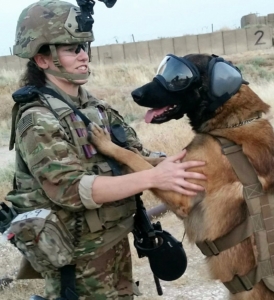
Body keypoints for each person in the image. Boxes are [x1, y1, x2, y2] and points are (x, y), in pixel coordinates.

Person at [5, 0, 207, 299]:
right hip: (76, 259)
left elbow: (136, 154)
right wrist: (153, 178)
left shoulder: (95, 107)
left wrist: (177, 164)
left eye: (84, 46)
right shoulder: (37, 119)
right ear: (43, 59)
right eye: (72, 49)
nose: (84, 55)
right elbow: (72, 190)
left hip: (112, 241)